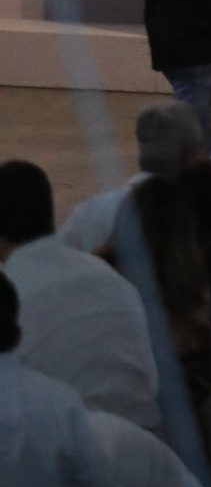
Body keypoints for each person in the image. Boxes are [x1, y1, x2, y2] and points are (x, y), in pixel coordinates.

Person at [0, 162, 159, 432]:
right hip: (147, 434)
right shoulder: (112, 279)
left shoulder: (11, 297)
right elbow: (150, 377)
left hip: (72, 443)